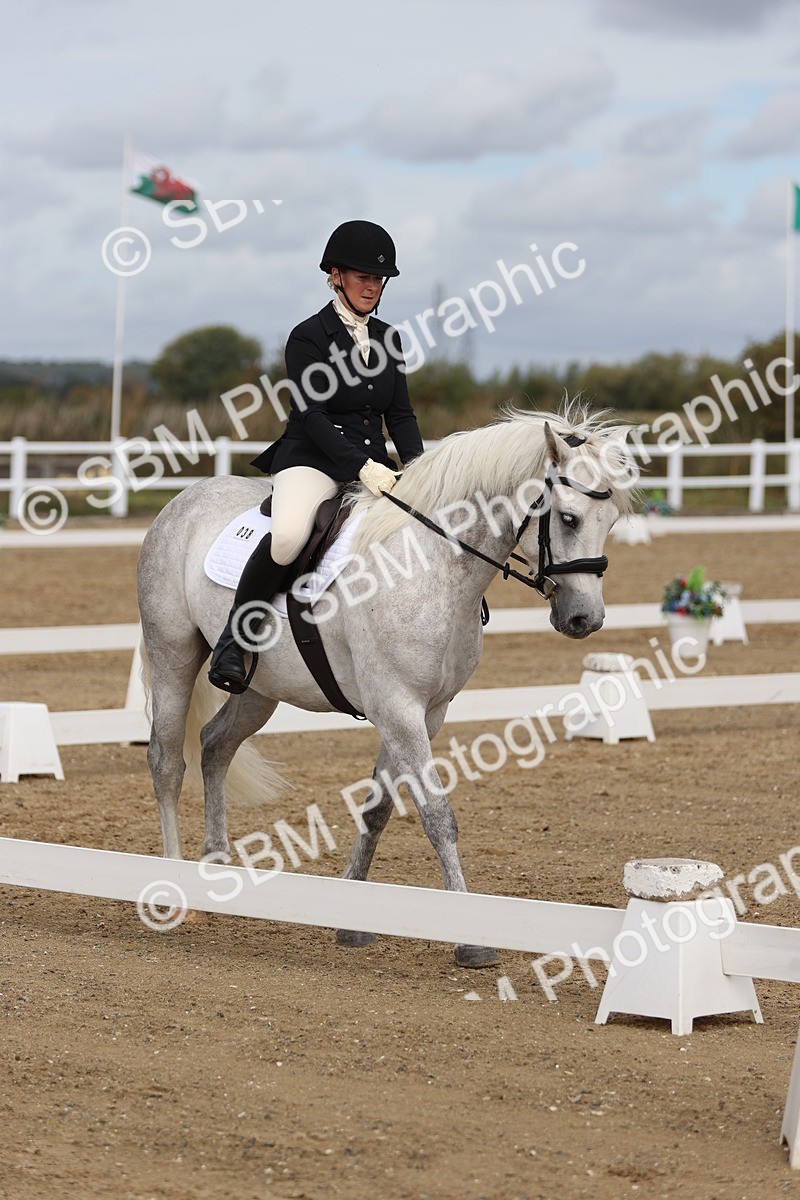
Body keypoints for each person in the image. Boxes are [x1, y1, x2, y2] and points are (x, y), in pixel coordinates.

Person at [208, 220, 425, 694]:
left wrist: (420, 470)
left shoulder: (389, 337)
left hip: (376, 467)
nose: (372, 286)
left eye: (379, 278)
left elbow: (401, 415)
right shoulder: (308, 336)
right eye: (362, 276)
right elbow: (312, 414)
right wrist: (362, 468)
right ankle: (235, 641)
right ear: (335, 276)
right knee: (287, 536)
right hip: (313, 459)